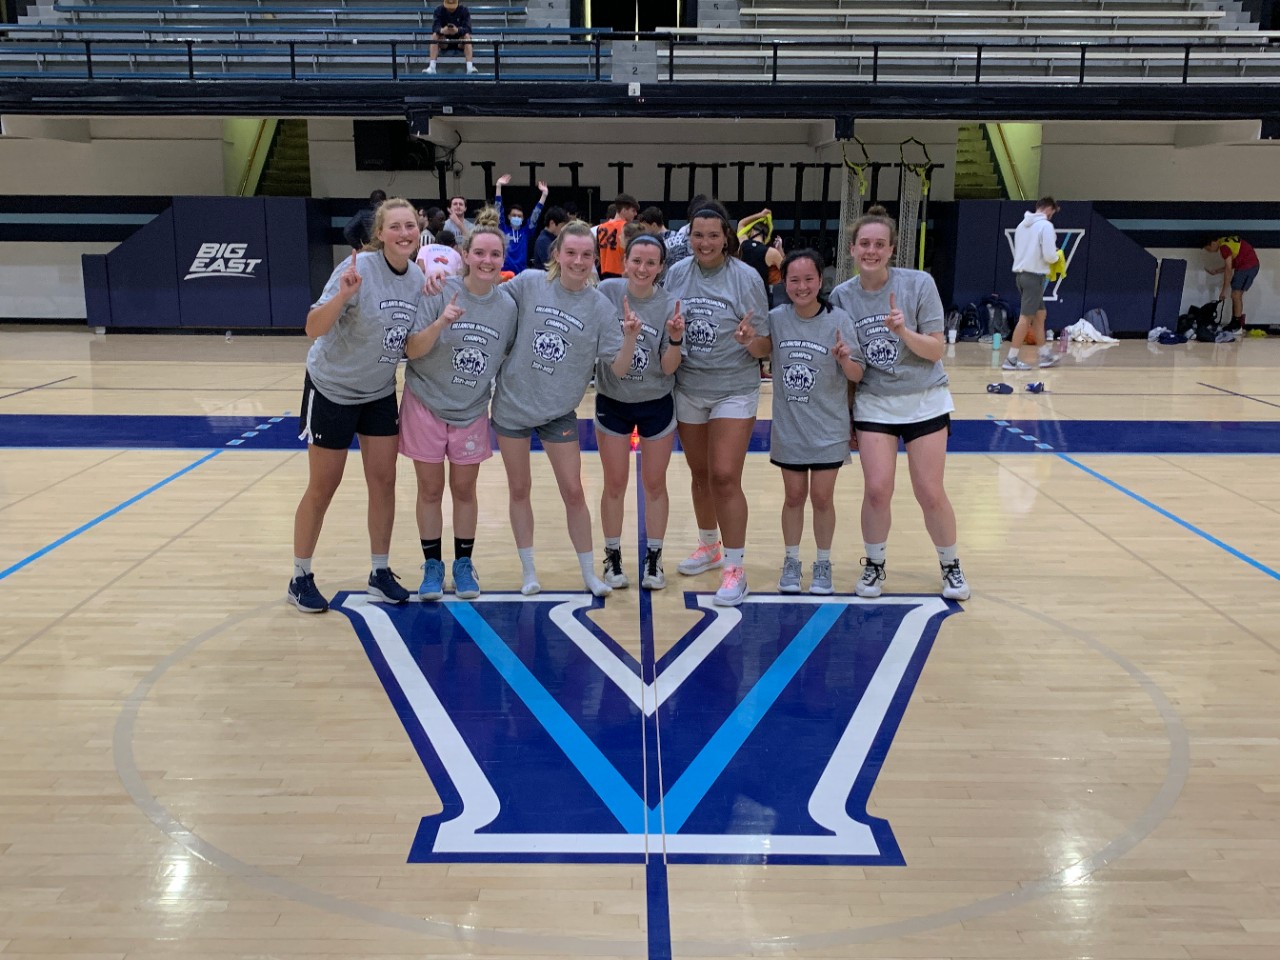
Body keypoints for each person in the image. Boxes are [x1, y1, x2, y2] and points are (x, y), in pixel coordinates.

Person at [288, 197, 424, 613]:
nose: (404, 233)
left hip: (378, 390)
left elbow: (410, 342)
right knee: (323, 486)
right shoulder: (358, 269)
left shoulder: (417, 277)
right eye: (395, 226)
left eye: (410, 225)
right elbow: (313, 327)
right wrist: (342, 295)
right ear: (380, 233)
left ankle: (379, 572)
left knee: (384, 482)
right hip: (333, 388)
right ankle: (299, 577)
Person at [492, 221, 641, 597]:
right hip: (512, 405)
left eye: (586, 254)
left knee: (574, 491)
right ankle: (529, 571)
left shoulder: (600, 306)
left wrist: (629, 339)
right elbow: (487, 300)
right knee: (519, 489)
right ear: (556, 254)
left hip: (558, 410)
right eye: (571, 252)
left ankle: (589, 573)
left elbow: (619, 369)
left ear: (595, 259)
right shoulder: (529, 283)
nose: (578, 261)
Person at [830, 205, 970, 602]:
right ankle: (874, 566)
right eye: (864, 244)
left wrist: (903, 331)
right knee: (877, 490)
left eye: (879, 244)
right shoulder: (842, 296)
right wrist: (848, 410)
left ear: (891, 249)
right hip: (875, 402)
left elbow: (936, 349)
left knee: (929, 491)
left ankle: (951, 565)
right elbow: (854, 368)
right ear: (852, 249)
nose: (871, 251)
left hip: (925, 399)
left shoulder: (919, 284)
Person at [661, 201, 771, 606]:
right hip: (689, 386)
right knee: (700, 473)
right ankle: (709, 545)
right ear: (688, 237)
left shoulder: (745, 277)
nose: (704, 242)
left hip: (733, 388)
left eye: (712, 235)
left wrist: (749, 341)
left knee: (725, 475)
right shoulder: (677, 274)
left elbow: (765, 345)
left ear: (726, 237)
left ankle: (736, 568)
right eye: (697, 235)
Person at [402, 226, 516, 601]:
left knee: (464, 490)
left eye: (495, 254)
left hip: (471, 408)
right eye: (479, 252)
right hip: (426, 401)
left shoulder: (507, 307)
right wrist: (440, 323)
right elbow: (412, 350)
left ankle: (464, 565)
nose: (487, 260)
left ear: (503, 259)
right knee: (430, 489)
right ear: (465, 255)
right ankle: (432, 566)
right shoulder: (438, 290)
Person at [595, 234, 685, 590]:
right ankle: (613, 556)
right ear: (625, 261)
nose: (643, 268)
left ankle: (654, 558)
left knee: (655, 484)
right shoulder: (607, 293)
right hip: (613, 401)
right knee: (615, 483)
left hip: (655, 402)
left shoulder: (670, 304)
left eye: (651, 262)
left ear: (661, 267)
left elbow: (668, 367)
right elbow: (612, 365)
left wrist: (675, 338)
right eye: (637, 260)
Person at [768, 249, 859, 595]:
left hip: (828, 428)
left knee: (822, 498)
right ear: (785, 282)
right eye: (794, 280)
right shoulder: (776, 318)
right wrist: (747, 340)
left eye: (809, 279)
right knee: (793, 496)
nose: (802, 286)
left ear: (821, 281)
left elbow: (857, 374)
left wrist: (845, 359)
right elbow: (759, 350)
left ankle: (823, 563)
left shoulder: (839, 320)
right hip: (790, 427)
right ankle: (791, 562)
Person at [1004, 196, 1062, 371]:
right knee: (1026, 318)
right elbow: (1049, 256)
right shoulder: (1046, 226)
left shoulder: (1022, 225)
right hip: (1034, 277)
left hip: (1021, 276)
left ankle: (1044, 355)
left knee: (1040, 314)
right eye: (1052, 213)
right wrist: (1057, 255)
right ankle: (1011, 359)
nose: (1051, 217)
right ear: (1049, 209)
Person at [494, 173, 549, 275]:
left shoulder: (526, 232)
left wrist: (544, 195)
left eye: (519, 216)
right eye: (514, 215)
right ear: (508, 217)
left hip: (521, 274)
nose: (516, 217)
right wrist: (498, 186)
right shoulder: (503, 229)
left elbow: (535, 214)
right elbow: (498, 211)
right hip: (504, 273)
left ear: (523, 218)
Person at [1204, 235, 1261, 331]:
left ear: (1213, 243)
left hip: (1247, 266)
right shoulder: (1224, 241)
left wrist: (1223, 291)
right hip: (1248, 265)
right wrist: (1217, 271)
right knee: (1236, 295)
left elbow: (1228, 270)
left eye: (1208, 249)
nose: (1209, 251)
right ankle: (1235, 322)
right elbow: (1232, 263)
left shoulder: (1224, 247)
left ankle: (1236, 325)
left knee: (1236, 295)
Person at [425, 0, 478, 74]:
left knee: (467, 36)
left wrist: (457, 30)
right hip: (444, 41)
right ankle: (432, 67)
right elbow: (435, 28)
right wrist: (442, 30)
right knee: (434, 35)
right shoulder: (438, 10)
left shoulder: (464, 10)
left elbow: (468, 29)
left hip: (460, 42)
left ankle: (470, 67)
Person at [596, 193, 640, 280]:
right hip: (622, 273)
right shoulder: (627, 228)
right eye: (633, 210)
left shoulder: (600, 227)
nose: (635, 214)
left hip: (604, 273)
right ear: (624, 210)